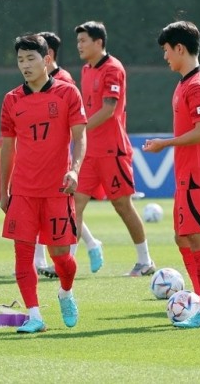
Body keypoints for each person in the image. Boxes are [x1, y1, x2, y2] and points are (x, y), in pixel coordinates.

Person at [0, 33, 86, 333]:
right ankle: (34, 315)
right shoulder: (11, 100)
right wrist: (4, 190)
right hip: (23, 191)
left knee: (62, 257)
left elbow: (80, 137)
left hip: (57, 190)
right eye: (20, 60)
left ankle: (65, 292)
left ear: (47, 59)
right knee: (23, 255)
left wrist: (74, 170)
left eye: (30, 58)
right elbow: (7, 147)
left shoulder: (68, 94)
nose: (24, 65)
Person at [143, 21, 200, 328]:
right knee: (182, 236)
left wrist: (166, 143)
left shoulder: (198, 85)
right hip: (187, 175)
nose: (165, 57)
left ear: (180, 48)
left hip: (199, 176)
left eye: (166, 50)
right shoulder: (184, 83)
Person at [74, 21, 155, 276]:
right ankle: (67, 262)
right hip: (88, 151)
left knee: (122, 205)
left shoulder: (113, 68)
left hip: (112, 150)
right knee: (71, 205)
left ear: (99, 42)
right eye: (78, 41)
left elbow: (109, 109)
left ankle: (145, 260)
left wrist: (79, 128)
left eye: (84, 41)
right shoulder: (86, 70)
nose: (79, 45)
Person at [32, 31, 103, 278]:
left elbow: (73, 125)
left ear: (47, 55)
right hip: (43, 156)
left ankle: (51, 260)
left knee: (63, 210)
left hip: (60, 158)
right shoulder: (37, 82)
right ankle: (91, 244)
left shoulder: (64, 81)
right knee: (59, 209)